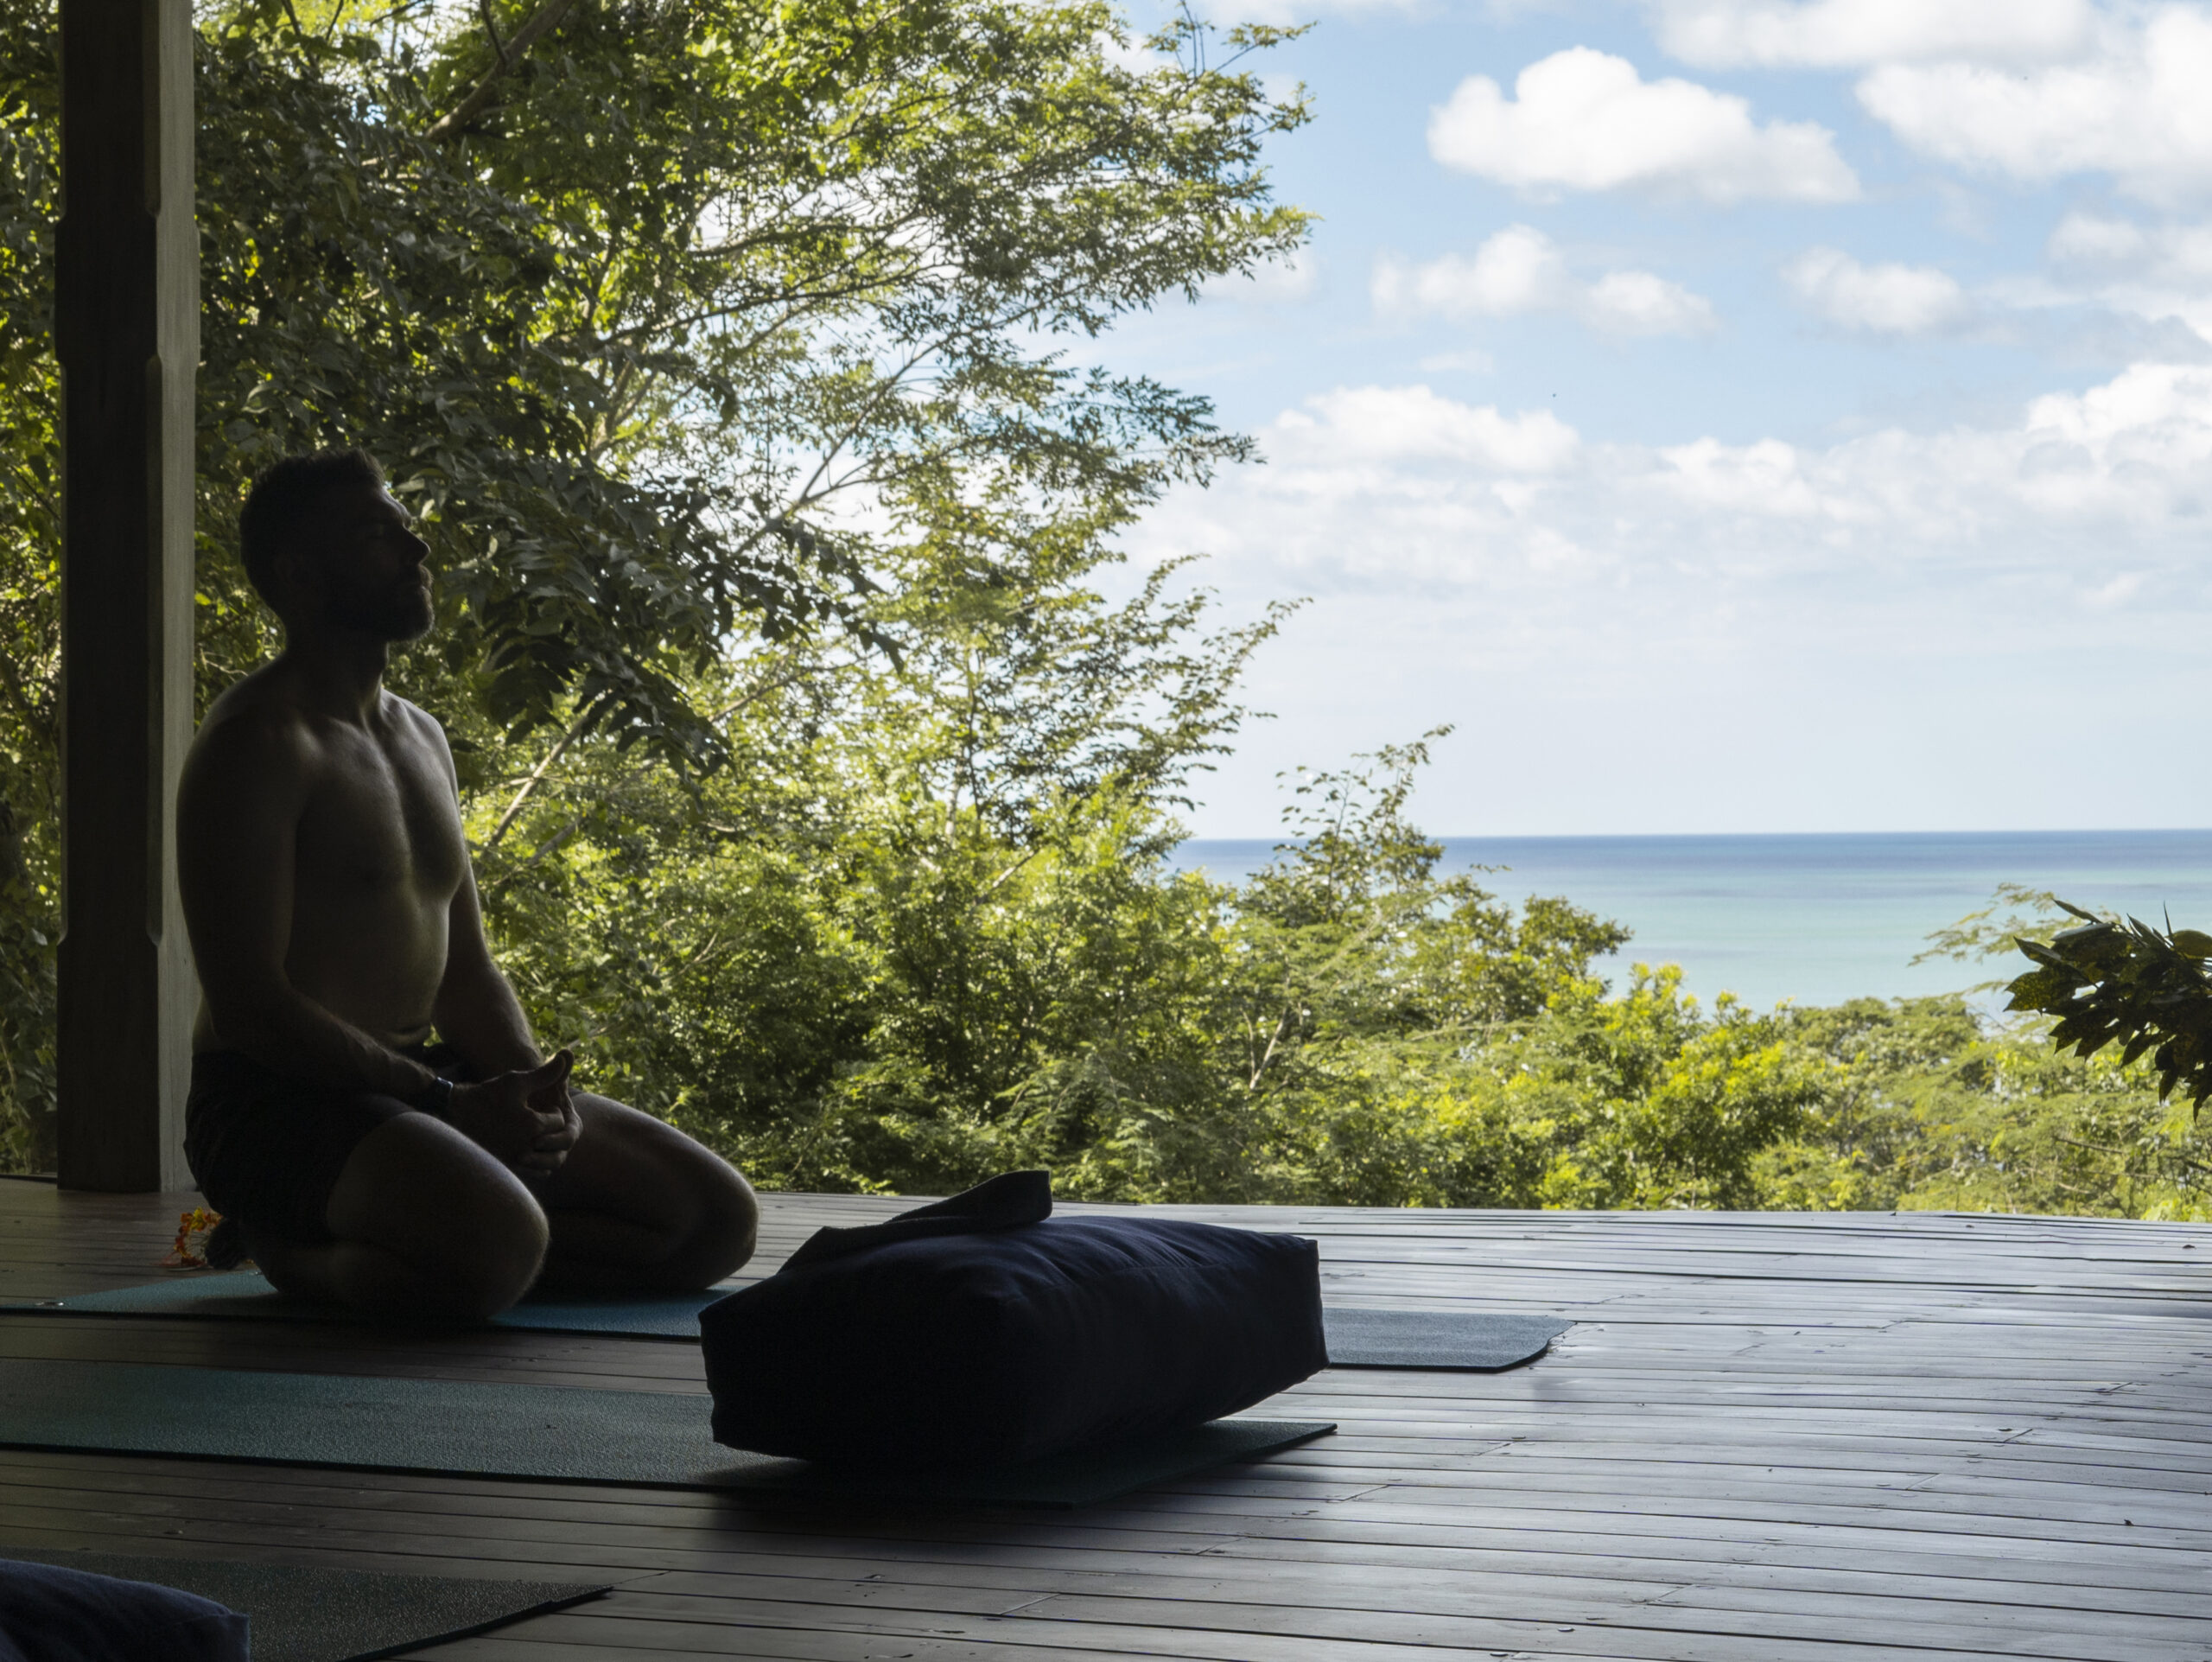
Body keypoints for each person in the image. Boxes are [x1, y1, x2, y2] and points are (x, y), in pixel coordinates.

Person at [177, 449, 757, 1320]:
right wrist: (447, 1103)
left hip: (421, 1084)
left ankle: (445, 1236)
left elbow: (467, 976)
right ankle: (285, 1247)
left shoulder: (422, 738)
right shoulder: (255, 745)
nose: (416, 554)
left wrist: (530, 1093)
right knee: (495, 1250)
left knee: (712, 1224)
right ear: (299, 576)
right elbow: (252, 1006)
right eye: (379, 536)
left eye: (408, 532)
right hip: (276, 1102)